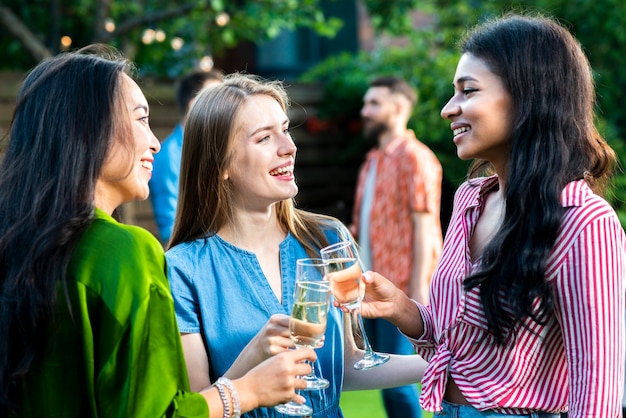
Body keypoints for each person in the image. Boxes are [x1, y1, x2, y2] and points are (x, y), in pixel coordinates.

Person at [0, 45, 317, 418]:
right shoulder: (123, 252)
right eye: (140, 119)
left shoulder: (21, 248)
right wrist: (247, 392)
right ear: (89, 131)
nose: (154, 142)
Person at [357, 13, 626, 417]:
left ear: (528, 96)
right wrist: (401, 308)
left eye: (468, 91)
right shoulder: (470, 200)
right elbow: (455, 346)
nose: (450, 109)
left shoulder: (583, 221)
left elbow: (598, 388)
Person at [166, 73, 429, 418]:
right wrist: (252, 359)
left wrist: (450, 365)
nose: (289, 147)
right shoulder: (183, 268)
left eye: (285, 129)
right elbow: (197, 406)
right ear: (222, 164)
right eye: (264, 138)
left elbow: (346, 366)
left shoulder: (327, 239)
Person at [350, 76, 443, 418]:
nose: (366, 111)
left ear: (399, 107)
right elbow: (364, 228)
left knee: (399, 388)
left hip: (401, 292)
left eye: (374, 103)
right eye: (366, 103)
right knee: (381, 381)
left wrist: (419, 290)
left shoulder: (415, 158)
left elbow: (425, 228)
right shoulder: (372, 161)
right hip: (370, 289)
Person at [150, 68, 223, 244]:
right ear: (194, 105)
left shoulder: (221, 147)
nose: (227, 106)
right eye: (217, 99)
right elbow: (171, 229)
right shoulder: (169, 156)